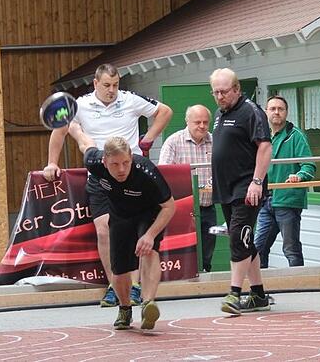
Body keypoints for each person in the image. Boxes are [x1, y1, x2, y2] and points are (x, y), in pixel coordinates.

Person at [42, 63, 173, 307]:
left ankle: (134, 287)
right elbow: (60, 131)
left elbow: (164, 112)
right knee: (104, 230)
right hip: (101, 174)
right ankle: (115, 285)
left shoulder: (130, 99)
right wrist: (51, 163)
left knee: (134, 231)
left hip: (130, 173)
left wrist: (148, 140)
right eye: (106, 85)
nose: (112, 90)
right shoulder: (80, 104)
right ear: (95, 84)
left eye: (115, 85)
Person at [70, 131, 175, 331]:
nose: (121, 169)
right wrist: (73, 128)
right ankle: (125, 309)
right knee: (119, 270)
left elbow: (170, 207)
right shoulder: (93, 162)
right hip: (120, 215)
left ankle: (148, 304)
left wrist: (150, 235)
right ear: (104, 161)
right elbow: (85, 143)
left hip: (149, 213)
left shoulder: (146, 170)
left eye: (126, 163)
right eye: (115, 164)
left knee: (149, 250)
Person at [209, 68, 272, 315]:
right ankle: (258, 295)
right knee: (244, 239)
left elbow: (265, 146)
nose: (220, 96)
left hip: (246, 188)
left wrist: (257, 181)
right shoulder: (219, 113)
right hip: (226, 187)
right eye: (215, 92)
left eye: (224, 91)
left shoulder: (251, 111)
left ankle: (234, 293)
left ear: (236, 89)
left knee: (238, 236)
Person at [254, 96, 315, 268]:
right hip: (265, 201)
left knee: (291, 248)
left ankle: (299, 288)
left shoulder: (296, 136)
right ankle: (260, 289)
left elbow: (309, 166)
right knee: (259, 248)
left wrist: (299, 176)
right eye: (272, 109)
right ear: (266, 112)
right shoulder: (262, 137)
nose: (276, 112)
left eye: (280, 109)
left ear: (287, 112)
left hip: (287, 200)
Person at [158, 105, 216, 272]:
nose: (202, 126)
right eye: (197, 122)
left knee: (207, 248)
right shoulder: (173, 142)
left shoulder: (215, 141)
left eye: (206, 122)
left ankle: (205, 276)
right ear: (187, 121)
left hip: (207, 206)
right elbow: (164, 173)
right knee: (184, 248)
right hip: (182, 208)